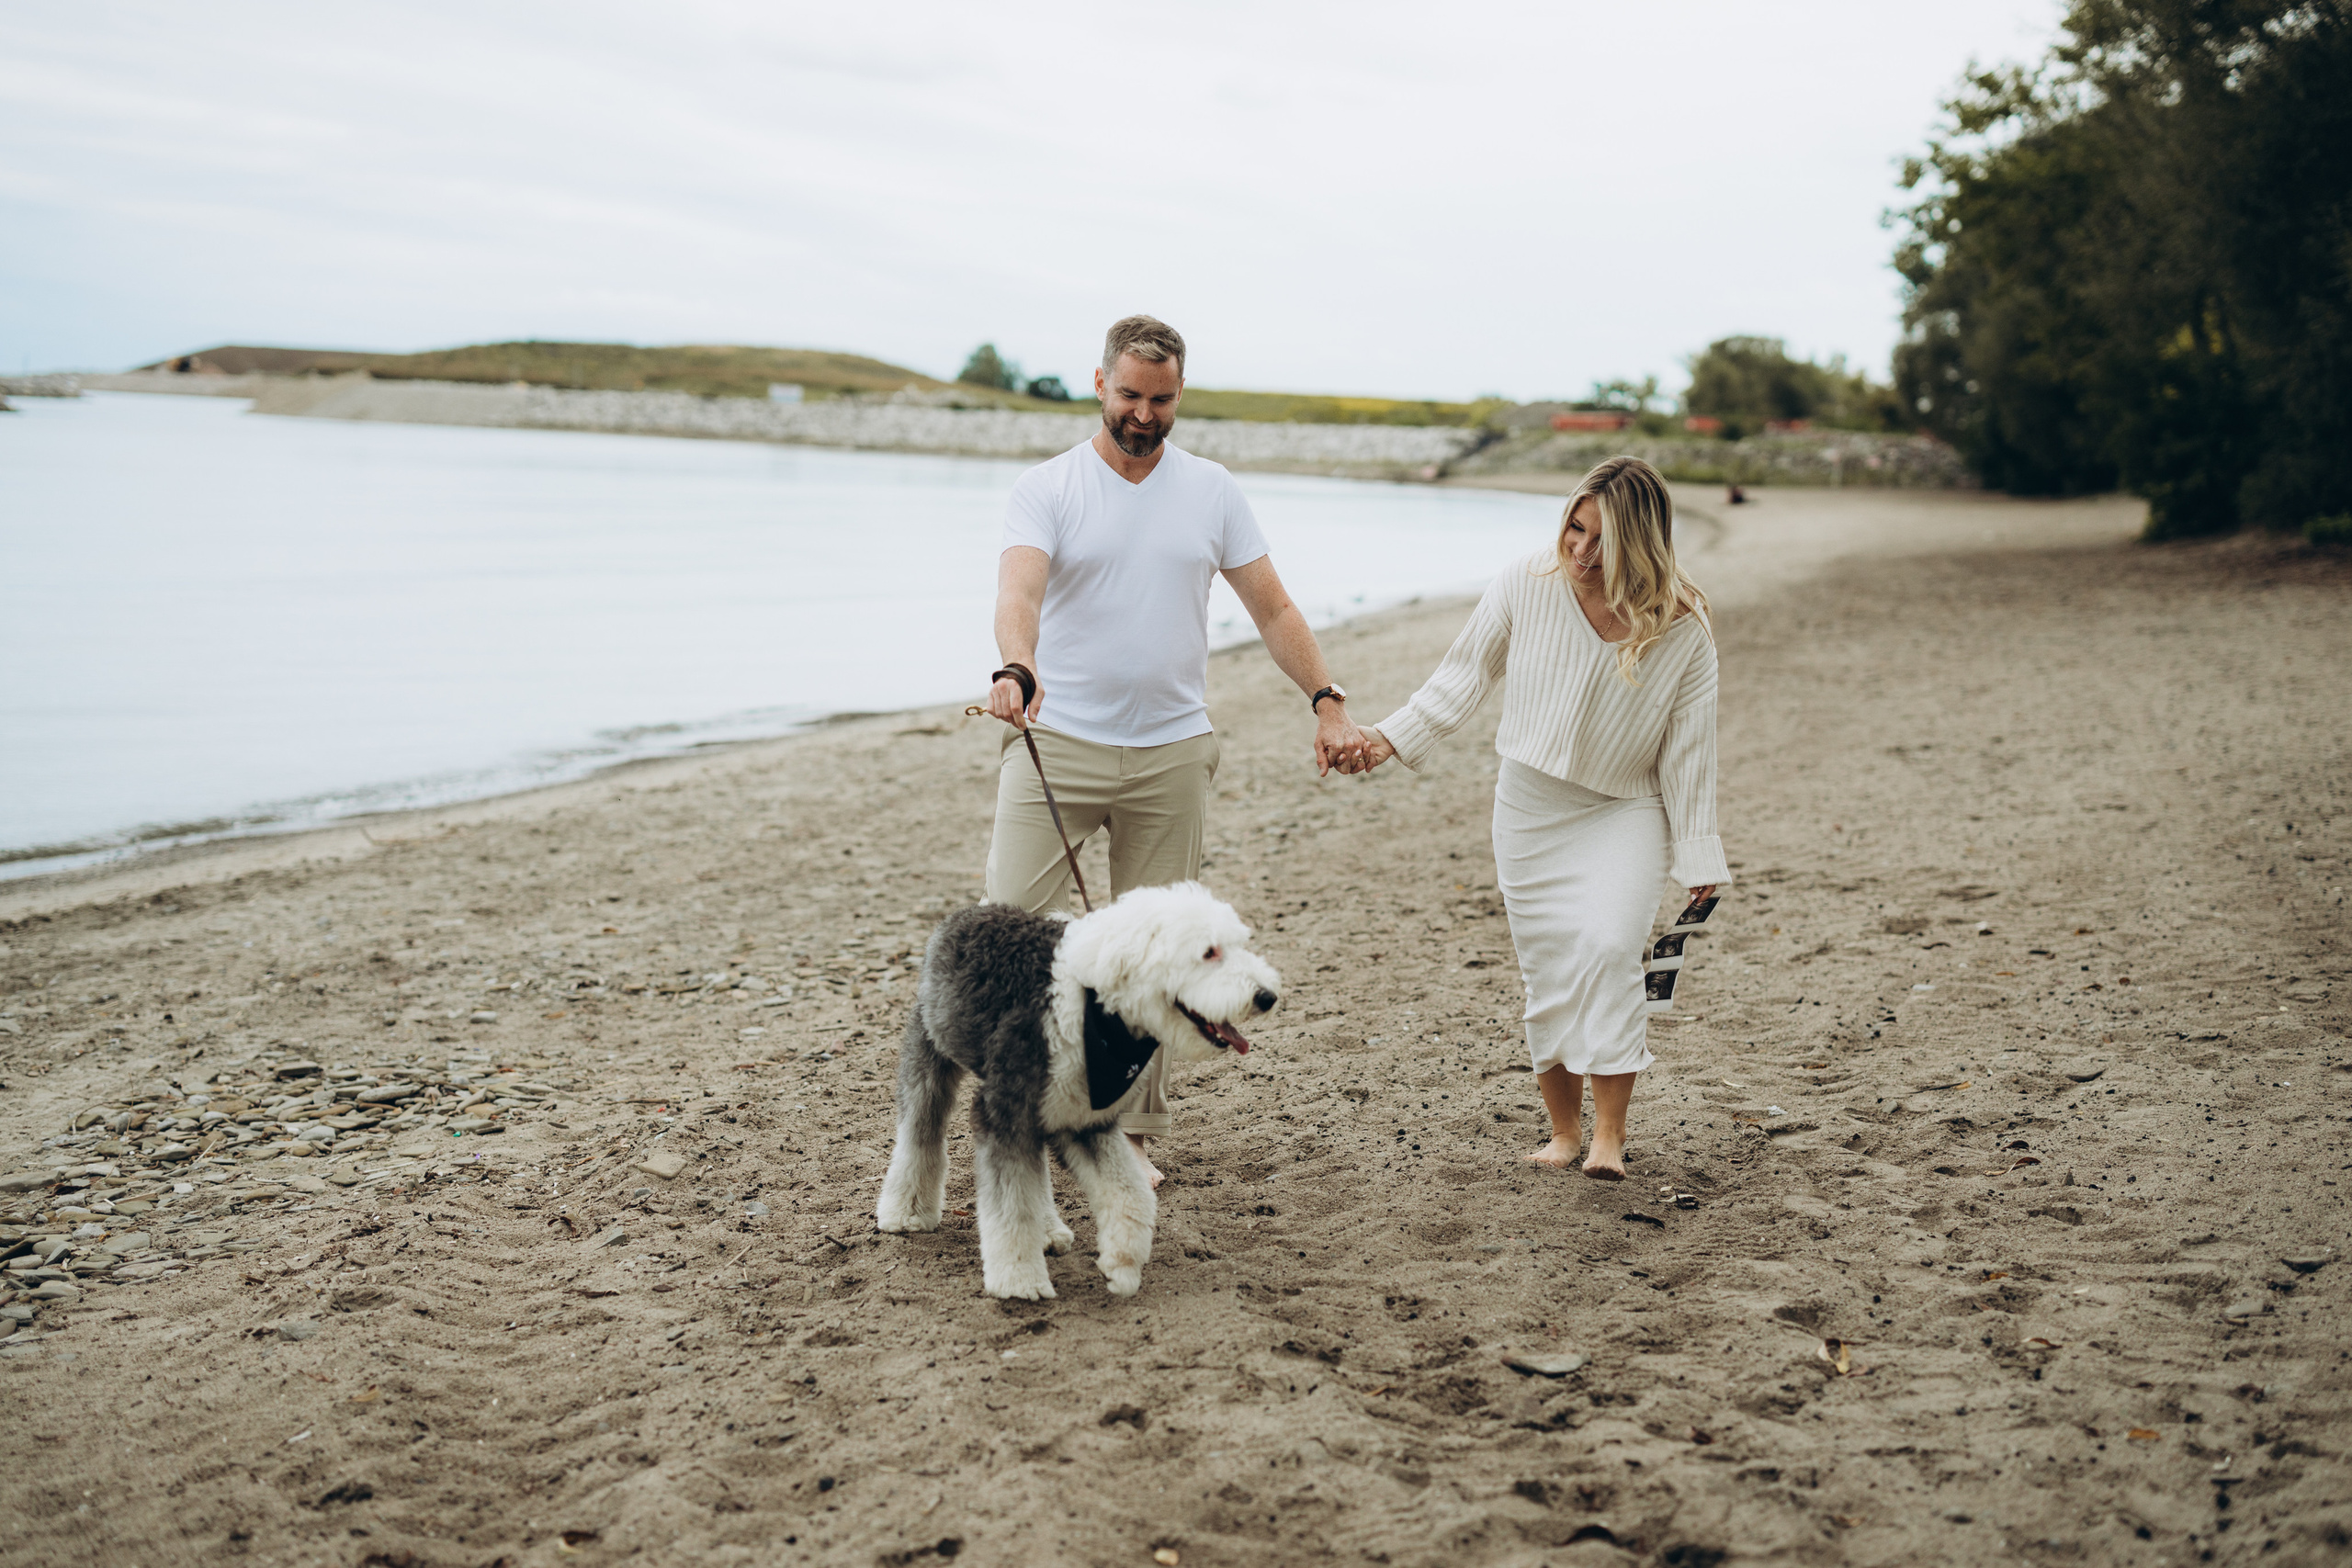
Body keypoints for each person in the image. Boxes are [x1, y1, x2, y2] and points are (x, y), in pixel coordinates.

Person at [981, 313, 1368, 1188]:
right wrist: (1016, 665)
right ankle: (1015, 1118)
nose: (1144, 416)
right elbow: (1020, 590)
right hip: (1060, 743)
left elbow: (1273, 608)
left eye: (1160, 400)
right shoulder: (1047, 488)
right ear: (1099, 384)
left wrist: (1327, 699)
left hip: (1172, 754)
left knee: (1165, 957)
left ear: (1179, 394)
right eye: (1129, 395)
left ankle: (1130, 1142)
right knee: (1007, 934)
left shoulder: (1212, 490)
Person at [1346, 456, 1728, 1179]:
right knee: (1548, 969)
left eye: (1602, 541)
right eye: (1573, 529)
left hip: (1624, 809)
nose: (1580, 553)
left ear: (1642, 544)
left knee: (1612, 951)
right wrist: (1386, 737)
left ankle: (1609, 1138)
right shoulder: (1528, 579)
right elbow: (1463, 674)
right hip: (1529, 809)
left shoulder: (1683, 628)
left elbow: (1691, 750)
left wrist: (1700, 856)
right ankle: (1562, 1132)